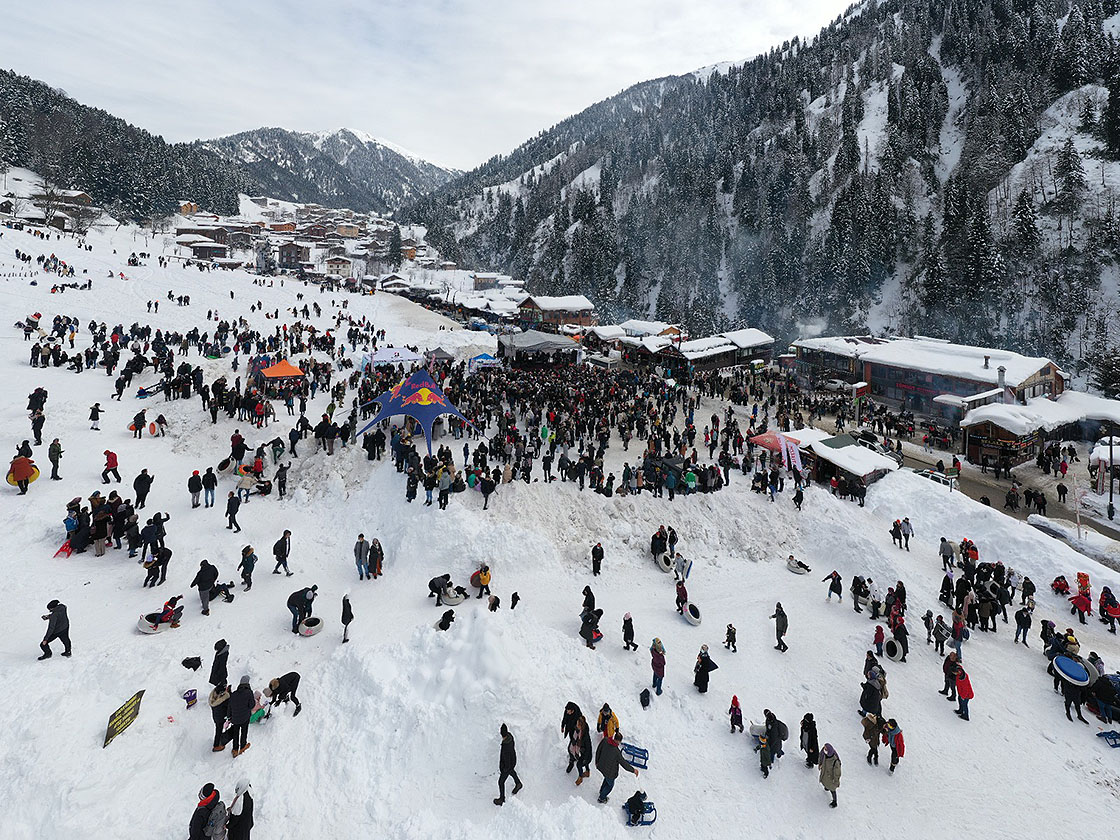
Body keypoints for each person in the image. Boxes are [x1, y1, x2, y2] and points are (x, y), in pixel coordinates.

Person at [594, 732, 638, 803]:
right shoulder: (616, 752)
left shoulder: (605, 740)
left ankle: (602, 791)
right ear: (617, 741)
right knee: (610, 785)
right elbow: (624, 764)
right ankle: (602, 798)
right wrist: (633, 770)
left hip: (601, 766)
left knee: (606, 779)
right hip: (610, 773)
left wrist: (597, 761)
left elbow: (599, 750)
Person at [223, 675, 254, 756]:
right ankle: (243, 746)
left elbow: (229, 707)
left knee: (235, 733)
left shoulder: (234, 694)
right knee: (244, 732)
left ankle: (235, 749)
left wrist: (229, 716)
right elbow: (252, 705)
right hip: (245, 718)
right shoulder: (249, 692)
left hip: (235, 718)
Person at [494, 723, 523, 806]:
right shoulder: (510, 737)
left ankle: (502, 799)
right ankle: (518, 783)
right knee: (511, 771)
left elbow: (506, 762)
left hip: (508, 765)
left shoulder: (506, 746)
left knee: (501, 781)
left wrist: (503, 769)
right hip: (513, 760)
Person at [818, 744, 841, 808]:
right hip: (825, 774)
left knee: (832, 789)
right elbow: (821, 756)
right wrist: (820, 764)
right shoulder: (825, 754)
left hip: (831, 778)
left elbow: (837, 773)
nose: (824, 749)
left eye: (825, 749)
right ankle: (826, 787)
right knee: (825, 782)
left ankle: (834, 801)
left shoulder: (835, 761)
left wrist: (836, 781)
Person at [209, 683, 231, 752]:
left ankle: (217, 742)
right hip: (221, 718)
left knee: (218, 729)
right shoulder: (224, 700)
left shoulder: (213, 697)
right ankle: (216, 745)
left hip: (215, 717)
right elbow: (229, 705)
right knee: (219, 730)